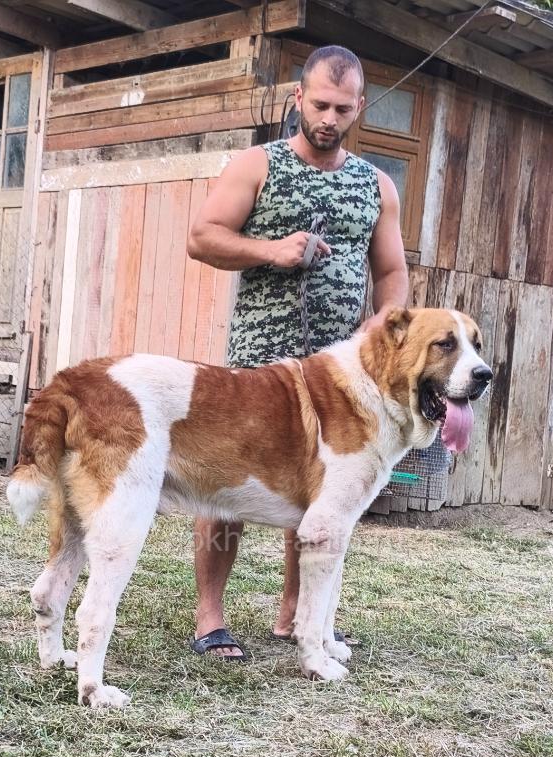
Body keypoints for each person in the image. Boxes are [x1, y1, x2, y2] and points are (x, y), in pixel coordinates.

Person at [186, 44, 409, 659]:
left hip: (338, 371)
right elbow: (202, 237)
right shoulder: (258, 164)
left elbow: (392, 272)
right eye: (320, 105)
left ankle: (295, 615)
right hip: (259, 361)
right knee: (224, 484)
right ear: (298, 98)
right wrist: (273, 250)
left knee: (320, 490)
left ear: (360, 106)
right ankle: (210, 618)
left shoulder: (377, 185)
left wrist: (384, 322)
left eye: (343, 108)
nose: (329, 119)